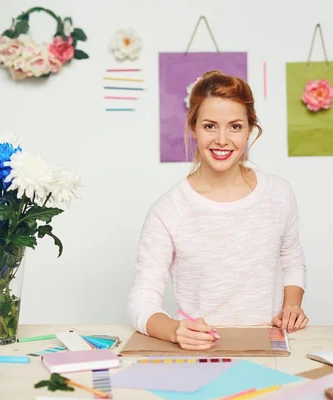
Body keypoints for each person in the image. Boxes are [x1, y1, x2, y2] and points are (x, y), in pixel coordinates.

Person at [127, 70, 307, 350]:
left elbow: (291, 260)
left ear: (250, 129)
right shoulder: (167, 211)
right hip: (201, 348)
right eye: (210, 126)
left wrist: (293, 305)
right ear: (193, 129)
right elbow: (142, 298)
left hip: (271, 344)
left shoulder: (278, 194)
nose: (222, 139)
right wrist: (175, 331)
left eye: (235, 126)